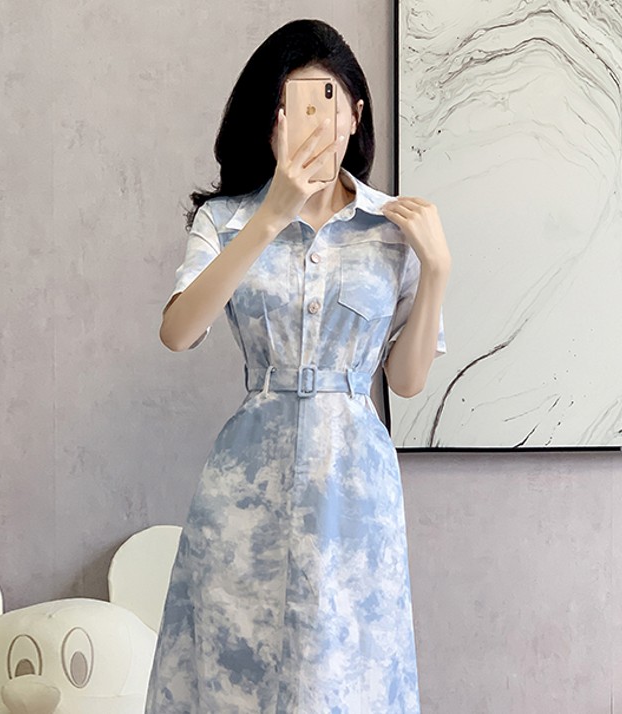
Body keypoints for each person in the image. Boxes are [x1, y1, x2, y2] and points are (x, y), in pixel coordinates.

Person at [144, 18, 450, 714]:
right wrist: (271, 216)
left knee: (349, 674)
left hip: (356, 490)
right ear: (271, 120)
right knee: (236, 668)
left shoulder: (394, 228)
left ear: (356, 114)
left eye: (328, 101)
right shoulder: (226, 220)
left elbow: (404, 383)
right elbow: (178, 332)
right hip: (248, 484)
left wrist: (436, 270)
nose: (316, 120)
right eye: (295, 104)